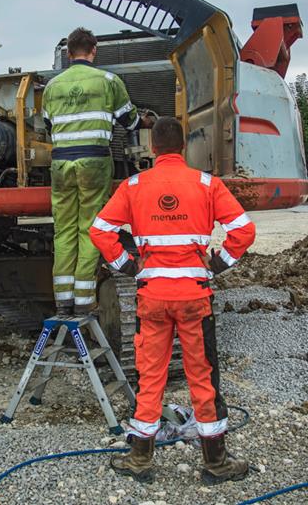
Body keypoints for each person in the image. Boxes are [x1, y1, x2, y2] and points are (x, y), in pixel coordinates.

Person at [89, 116, 256, 484]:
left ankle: (139, 459)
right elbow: (244, 230)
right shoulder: (206, 184)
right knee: (203, 379)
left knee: (151, 378)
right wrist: (218, 263)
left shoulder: (134, 186)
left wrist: (127, 265)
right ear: (183, 147)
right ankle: (215, 463)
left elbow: (99, 230)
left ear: (153, 148)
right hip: (195, 298)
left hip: (153, 298)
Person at [42, 27, 153, 316]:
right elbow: (129, 122)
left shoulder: (53, 86)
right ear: (94, 51)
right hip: (93, 162)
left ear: (68, 54)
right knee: (91, 229)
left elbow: (47, 126)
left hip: (60, 164)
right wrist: (149, 121)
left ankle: (62, 301)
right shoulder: (108, 81)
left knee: (64, 230)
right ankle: (83, 302)